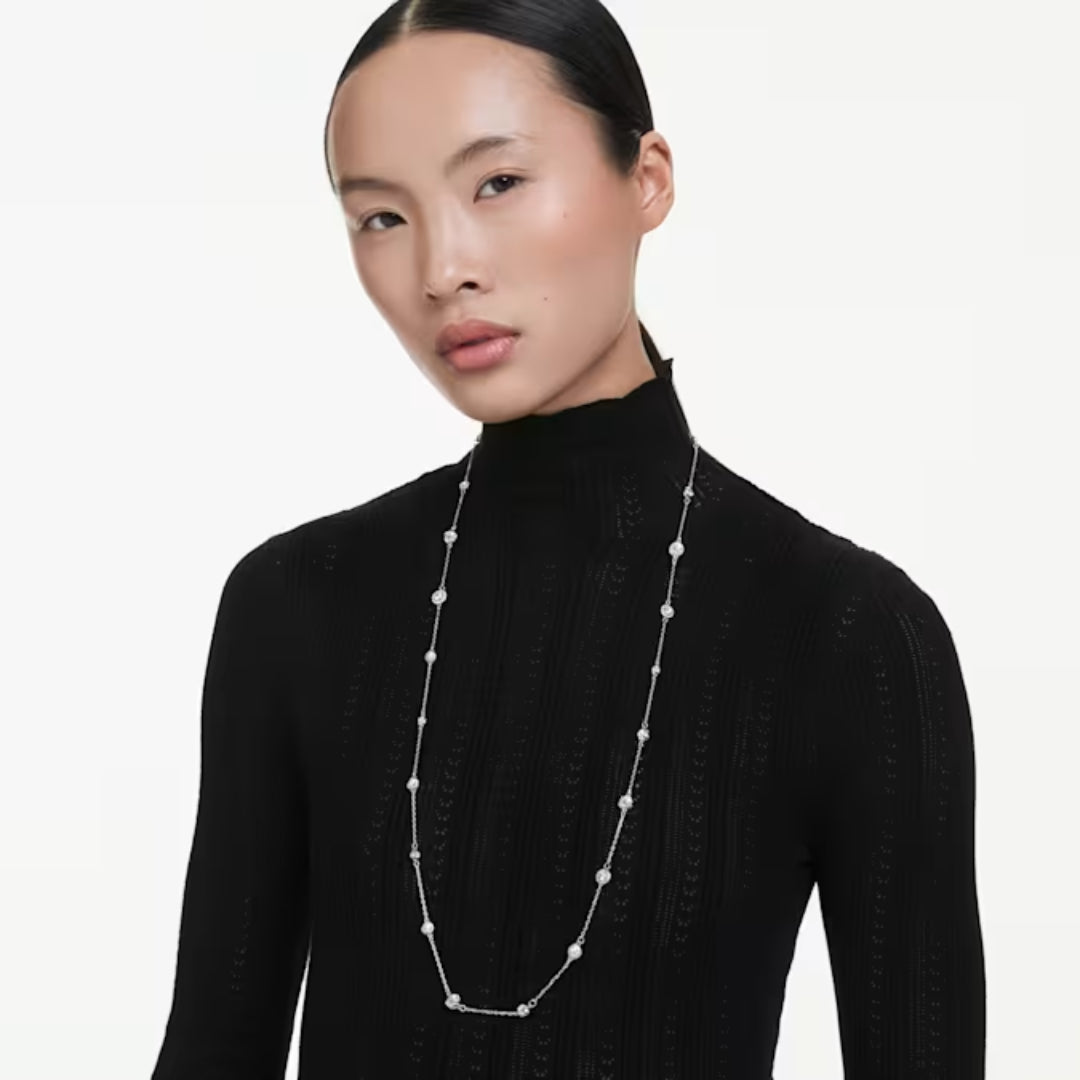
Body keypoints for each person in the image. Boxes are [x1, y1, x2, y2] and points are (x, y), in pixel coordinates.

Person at [150, 1, 986, 1076]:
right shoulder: (295, 604)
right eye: (381, 216)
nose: (442, 267)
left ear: (648, 179)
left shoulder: (848, 636)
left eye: (497, 182)